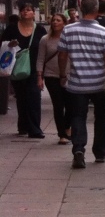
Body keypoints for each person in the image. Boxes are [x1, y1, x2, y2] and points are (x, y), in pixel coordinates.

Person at [58, 0, 105, 168]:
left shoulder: (68, 30)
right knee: (101, 117)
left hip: (77, 83)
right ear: (97, 10)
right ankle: (100, 153)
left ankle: (79, 149)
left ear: (81, 9)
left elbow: (62, 55)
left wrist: (62, 75)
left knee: (78, 117)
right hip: (99, 83)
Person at [3, 1, 47, 137]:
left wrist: (43, 72)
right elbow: (3, 45)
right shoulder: (12, 28)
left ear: (34, 13)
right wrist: (10, 44)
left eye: (28, 9)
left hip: (34, 69)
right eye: (23, 10)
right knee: (21, 98)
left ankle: (35, 129)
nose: (25, 12)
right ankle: (23, 126)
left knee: (34, 97)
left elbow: (44, 49)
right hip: (17, 67)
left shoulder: (39, 30)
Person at [36, 13, 71, 143]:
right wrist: (39, 77)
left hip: (68, 76)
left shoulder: (69, 39)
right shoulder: (45, 39)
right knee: (58, 104)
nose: (55, 22)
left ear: (64, 23)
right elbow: (40, 59)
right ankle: (62, 134)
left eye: (58, 20)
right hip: (51, 76)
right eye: (53, 20)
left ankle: (67, 127)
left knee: (71, 104)